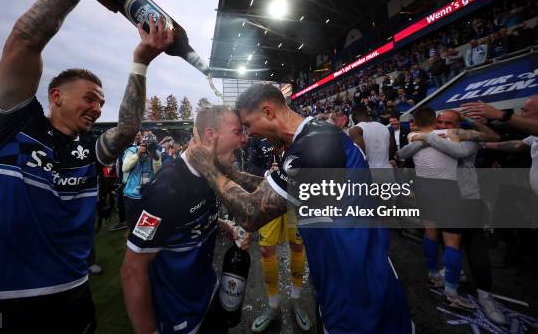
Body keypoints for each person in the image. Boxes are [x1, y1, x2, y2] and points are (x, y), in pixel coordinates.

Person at [0, 0, 173, 333]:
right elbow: (24, 40)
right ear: (55, 96)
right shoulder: (12, 125)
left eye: (101, 102)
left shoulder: (88, 147)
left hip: (71, 297)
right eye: (89, 99)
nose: (97, 108)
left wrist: (141, 60)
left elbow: (129, 128)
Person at [187, 84, 413, 334]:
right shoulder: (315, 138)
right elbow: (269, 192)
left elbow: (251, 213)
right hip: (344, 277)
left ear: (268, 112)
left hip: (357, 289)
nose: (248, 135)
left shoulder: (315, 146)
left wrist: (208, 168)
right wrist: (230, 172)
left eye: (248, 125)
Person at [121, 106, 249, 334]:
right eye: (238, 132)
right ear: (210, 135)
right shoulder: (166, 189)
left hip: (209, 293)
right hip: (179, 318)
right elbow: (133, 268)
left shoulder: (211, 173)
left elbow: (185, 221)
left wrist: (221, 224)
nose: (244, 139)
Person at [398, 110, 504, 324]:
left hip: (468, 197)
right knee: (441, 239)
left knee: (474, 246)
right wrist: (429, 139)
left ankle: (484, 294)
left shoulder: (463, 136)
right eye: (440, 122)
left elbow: (462, 151)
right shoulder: (437, 136)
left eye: (448, 122)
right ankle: (448, 283)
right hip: (443, 196)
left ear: (459, 124)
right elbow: (405, 154)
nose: (442, 125)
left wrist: (427, 138)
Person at [401, 107, 475, 311]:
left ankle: (433, 275)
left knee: (430, 232)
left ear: (414, 122)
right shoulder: (452, 136)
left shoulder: (412, 135)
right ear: (435, 120)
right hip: (447, 188)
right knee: (452, 242)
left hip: (424, 188)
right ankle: (451, 292)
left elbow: (401, 154)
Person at [245, 137, 311, 333]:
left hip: (294, 198)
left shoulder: (296, 134)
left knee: (298, 246)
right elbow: (249, 164)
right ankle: (273, 306)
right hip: (269, 196)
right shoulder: (257, 138)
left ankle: (296, 300)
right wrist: (267, 173)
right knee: (266, 250)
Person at [461, 96, 538, 196]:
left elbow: (496, 136)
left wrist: (501, 115)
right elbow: (518, 145)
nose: (520, 114)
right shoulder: (534, 137)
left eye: (525, 111)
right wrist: (482, 145)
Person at [349, 105, 396, 171]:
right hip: (387, 169)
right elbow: (392, 149)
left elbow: (360, 156)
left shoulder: (355, 130)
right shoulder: (385, 127)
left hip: (370, 172)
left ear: (353, 116)